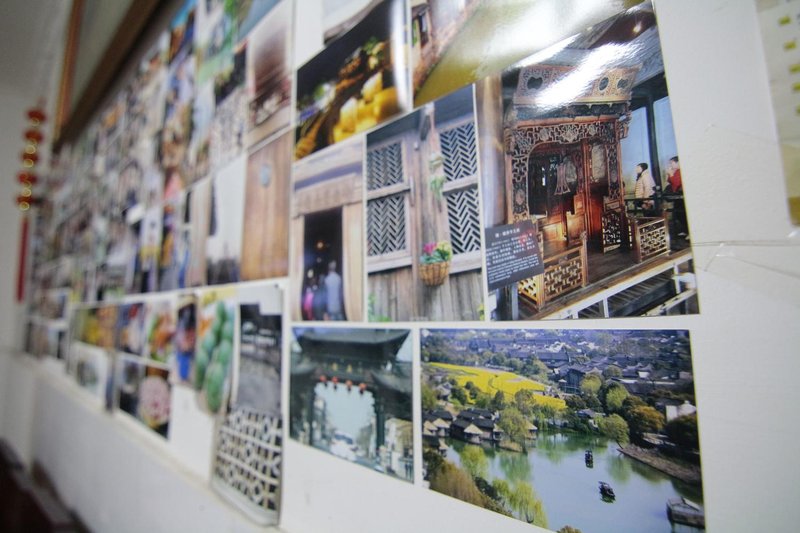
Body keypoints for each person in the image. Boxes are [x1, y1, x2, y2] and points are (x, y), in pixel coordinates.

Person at [666, 156, 688, 237]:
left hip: (681, 196)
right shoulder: (676, 171)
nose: (670, 165)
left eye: (671, 163)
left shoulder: (680, 171)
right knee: (679, 214)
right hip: (676, 195)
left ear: (677, 162)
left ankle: (689, 232)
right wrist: (669, 174)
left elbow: (677, 183)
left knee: (683, 214)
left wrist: (671, 174)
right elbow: (670, 181)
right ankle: (685, 230)